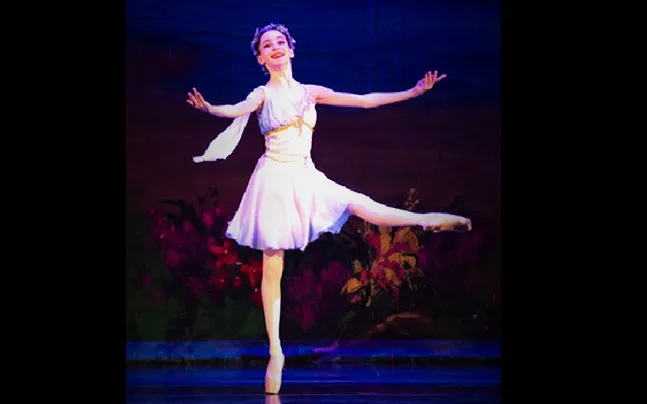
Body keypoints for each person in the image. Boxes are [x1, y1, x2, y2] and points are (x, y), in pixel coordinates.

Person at [186, 23, 472, 394]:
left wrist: (414, 92)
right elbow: (235, 109)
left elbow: (365, 100)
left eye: (279, 43)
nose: (274, 48)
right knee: (272, 263)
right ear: (260, 58)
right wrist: (209, 107)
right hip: (274, 178)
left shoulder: (311, 92)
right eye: (266, 46)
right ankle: (276, 352)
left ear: (291, 49)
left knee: (360, 204)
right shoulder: (262, 94)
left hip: (305, 174)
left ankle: (427, 221)